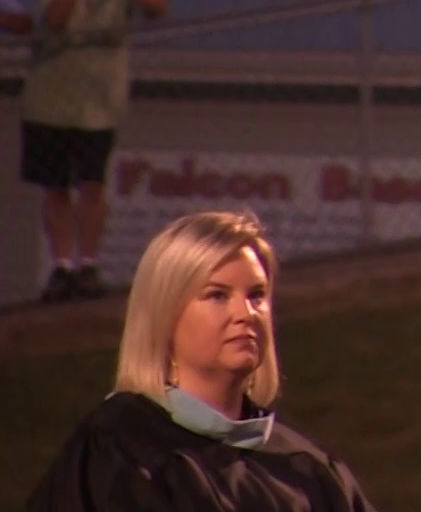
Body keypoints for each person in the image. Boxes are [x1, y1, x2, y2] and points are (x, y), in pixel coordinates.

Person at [27, 211, 378, 510]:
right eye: (217, 295)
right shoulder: (119, 453)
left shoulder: (311, 473)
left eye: (256, 295)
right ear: (165, 315)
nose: (246, 313)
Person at [22, 0, 169, 303]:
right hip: (50, 102)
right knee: (55, 187)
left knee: (92, 184)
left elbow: (158, 8)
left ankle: (88, 262)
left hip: (99, 104)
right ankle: (62, 265)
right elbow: (53, 19)